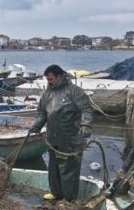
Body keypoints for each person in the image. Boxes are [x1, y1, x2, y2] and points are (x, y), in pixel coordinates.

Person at [29, 65, 93, 201]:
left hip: (71, 139)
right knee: (53, 168)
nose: (49, 82)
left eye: (51, 79)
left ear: (59, 76)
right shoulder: (48, 93)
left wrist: (86, 124)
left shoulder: (74, 91)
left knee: (68, 171)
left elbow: (86, 109)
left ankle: (69, 199)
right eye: (47, 80)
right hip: (53, 138)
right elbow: (42, 113)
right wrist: (37, 125)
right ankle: (56, 192)